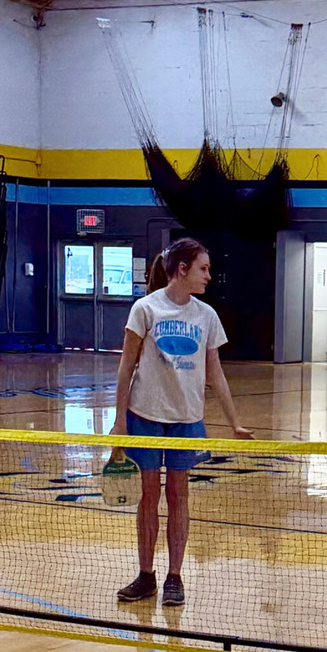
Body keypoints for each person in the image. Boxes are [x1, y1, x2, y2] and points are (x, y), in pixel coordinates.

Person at [111, 238, 252, 606]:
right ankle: (145, 576)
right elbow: (126, 366)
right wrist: (119, 420)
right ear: (182, 269)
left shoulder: (206, 316)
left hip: (186, 419)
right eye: (203, 268)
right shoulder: (145, 309)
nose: (209, 276)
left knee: (178, 495)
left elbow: (216, 374)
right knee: (148, 496)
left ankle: (175, 577)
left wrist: (234, 422)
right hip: (145, 415)